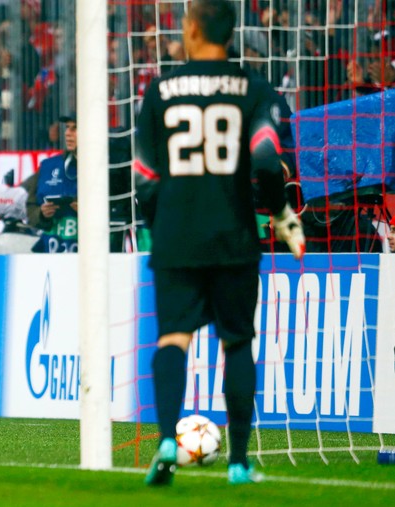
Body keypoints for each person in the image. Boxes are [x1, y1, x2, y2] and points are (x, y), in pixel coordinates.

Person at [134, 0, 305, 487]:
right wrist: (279, 214)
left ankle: (167, 437)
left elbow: (144, 176)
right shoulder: (253, 89)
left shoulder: (161, 90)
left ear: (191, 30)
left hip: (175, 235)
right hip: (233, 233)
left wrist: (161, 222)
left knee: (172, 338)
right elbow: (269, 162)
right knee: (236, 344)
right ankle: (237, 463)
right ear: (230, 35)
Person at [20, 112, 77, 251]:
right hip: (52, 256)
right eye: (67, 127)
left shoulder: (107, 168)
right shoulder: (49, 166)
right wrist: (42, 214)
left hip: (92, 261)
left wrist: (91, 212)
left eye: (74, 128)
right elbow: (29, 206)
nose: (67, 133)